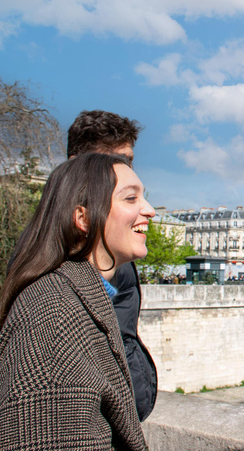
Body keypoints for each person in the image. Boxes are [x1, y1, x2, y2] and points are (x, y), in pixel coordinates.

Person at [0, 153, 154, 450]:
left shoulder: (71, 297)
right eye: (131, 198)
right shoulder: (56, 317)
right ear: (83, 218)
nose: (150, 210)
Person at [67, 110, 158, 421]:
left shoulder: (111, 248)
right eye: (113, 161)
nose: (150, 211)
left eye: (128, 160)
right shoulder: (58, 281)